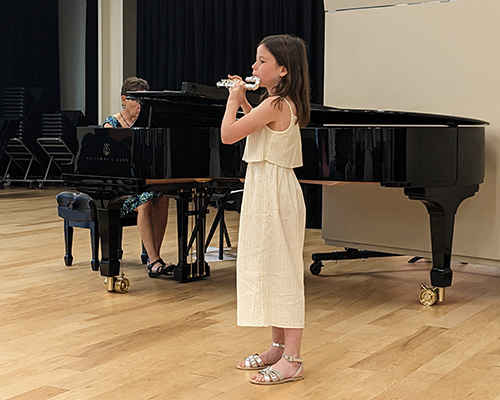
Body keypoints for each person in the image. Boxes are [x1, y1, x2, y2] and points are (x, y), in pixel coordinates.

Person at [221, 34, 310, 385]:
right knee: (271, 267)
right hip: (266, 190)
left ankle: (293, 358)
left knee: (284, 271)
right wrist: (244, 100)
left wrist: (231, 100)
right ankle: (277, 346)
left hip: (274, 193)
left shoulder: (277, 104)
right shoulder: (275, 103)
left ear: (283, 69)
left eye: (261, 61)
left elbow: (230, 134)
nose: (253, 67)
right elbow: (258, 131)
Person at [103, 77, 172, 278]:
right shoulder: (112, 125)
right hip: (119, 187)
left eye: (143, 101)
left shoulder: (147, 125)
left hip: (142, 181)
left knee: (162, 197)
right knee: (145, 203)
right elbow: (112, 165)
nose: (140, 105)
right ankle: (154, 260)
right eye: (136, 100)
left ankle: (154, 257)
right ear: (124, 99)